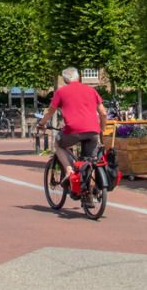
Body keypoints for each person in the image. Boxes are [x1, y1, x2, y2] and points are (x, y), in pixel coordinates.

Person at [42, 67, 107, 195]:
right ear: (78, 77)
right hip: (93, 131)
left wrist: (42, 123)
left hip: (73, 131)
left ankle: (68, 170)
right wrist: (102, 129)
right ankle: (91, 190)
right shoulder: (91, 90)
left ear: (65, 80)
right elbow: (103, 113)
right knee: (90, 160)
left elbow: (51, 110)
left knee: (58, 144)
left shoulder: (61, 92)